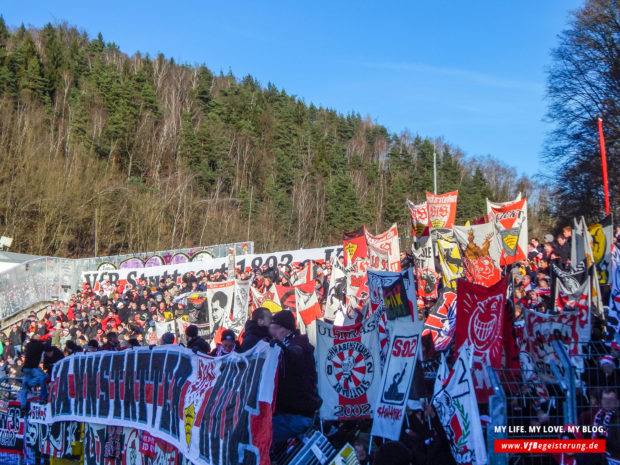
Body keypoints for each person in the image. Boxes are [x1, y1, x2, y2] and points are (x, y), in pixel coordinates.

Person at [269, 310, 321, 447]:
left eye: (275, 328)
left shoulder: (299, 344)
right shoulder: (282, 346)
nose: (272, 333)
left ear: (286, 329)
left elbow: (296, 353)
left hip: (298, 414)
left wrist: (284, 350)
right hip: (287, 411)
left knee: (262, 433)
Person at [20, 334, 48, 408]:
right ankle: (30, 384)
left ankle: (22, 405)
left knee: (24, 389)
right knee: (43, 376)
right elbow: (45, 347)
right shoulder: (38, 345)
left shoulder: (29, 344)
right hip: (32, 367)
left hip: (26, 367)